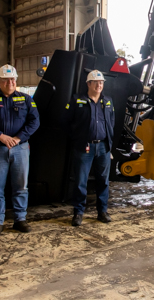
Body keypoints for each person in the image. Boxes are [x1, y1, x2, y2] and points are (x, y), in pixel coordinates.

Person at [0, 64, 40, 238]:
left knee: (21, 186)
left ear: (16, 80)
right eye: (5, 79)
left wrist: (19, 138)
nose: (10, 82)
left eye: (12, 79)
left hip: (20, 149)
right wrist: (1, 136)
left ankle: (20, 219)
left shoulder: (26, 100)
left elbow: (34, 122)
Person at [66, 70, 115, 226]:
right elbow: (67, 121)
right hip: (84, 147)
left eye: (101, 83)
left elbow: (112, 122)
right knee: (81, 181)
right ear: (88, 84)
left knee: (103, 181)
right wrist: (77, 138)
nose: (99, 85)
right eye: (96, 82)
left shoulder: (107, 101)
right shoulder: (77, 100)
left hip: (103, 147)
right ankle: (78, 213)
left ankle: (102, 211)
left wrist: (109, 143)